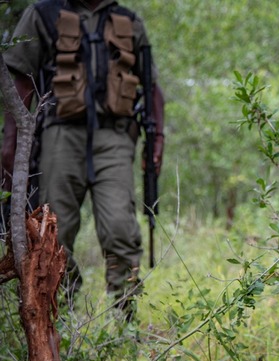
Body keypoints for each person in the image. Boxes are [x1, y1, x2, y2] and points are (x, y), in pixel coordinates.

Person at [1, 0, 165, 318]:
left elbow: (151, 84)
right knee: (54, 229)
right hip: (59, 134)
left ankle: (124, 320)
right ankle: (60, 319)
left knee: (121, 228)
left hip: (114, 137)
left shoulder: (127, 20)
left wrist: (157, 138)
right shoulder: (43, 14)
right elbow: (18, 80)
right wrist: (12, 139)